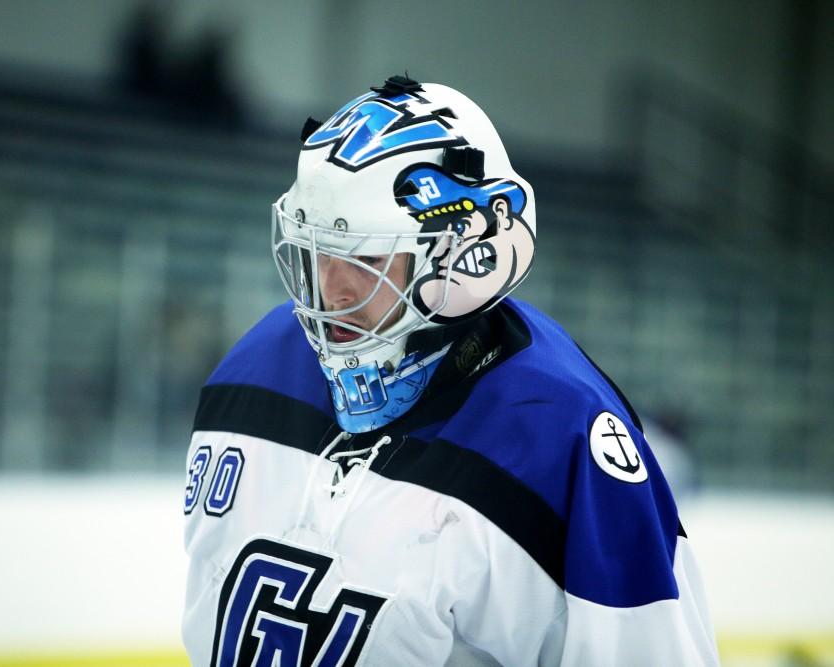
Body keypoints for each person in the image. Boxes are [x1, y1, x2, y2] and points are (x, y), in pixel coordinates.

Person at [182, 76, 719, 666]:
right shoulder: (257, 363)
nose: (329, 292)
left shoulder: (564, 438)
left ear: (465, 253)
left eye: (365, 258)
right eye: (318, 253)